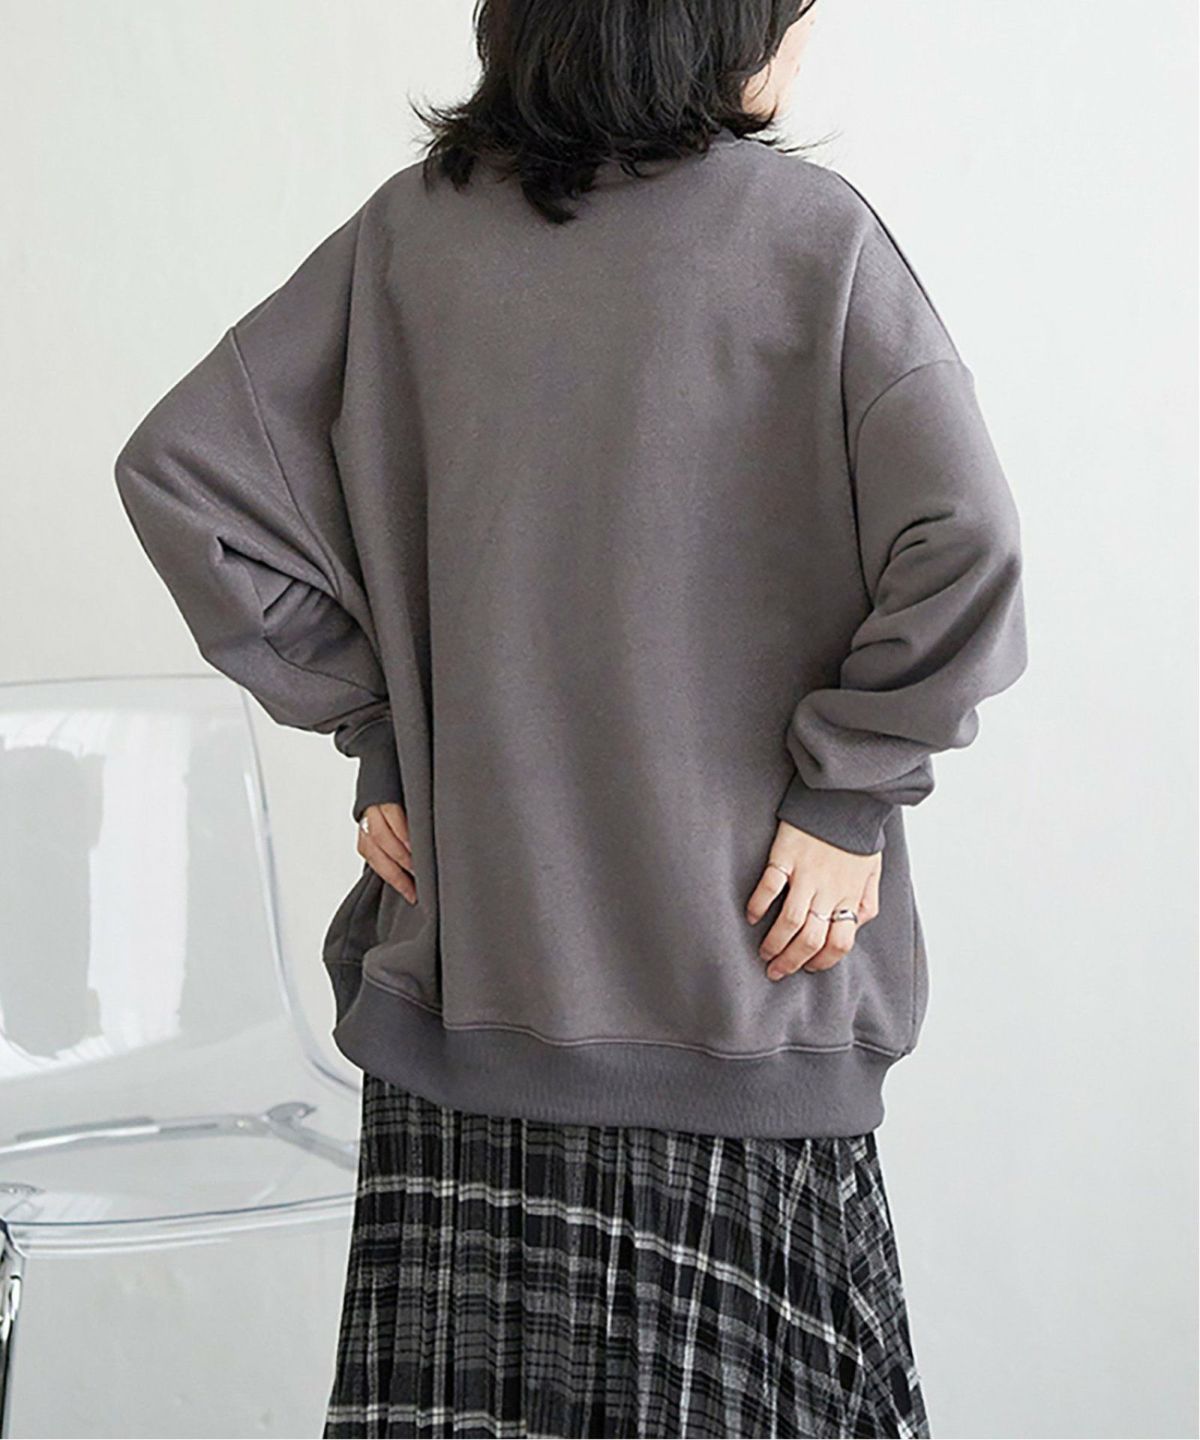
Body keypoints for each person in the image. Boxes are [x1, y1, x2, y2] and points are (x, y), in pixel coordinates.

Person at [112, 1, 1028, 1434]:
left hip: (475, 1004)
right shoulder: (815, 240)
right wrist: (845, 794)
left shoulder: (412, 236)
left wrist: (383, 730)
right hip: (735, 996)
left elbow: (189, 480)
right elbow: (965, 543)